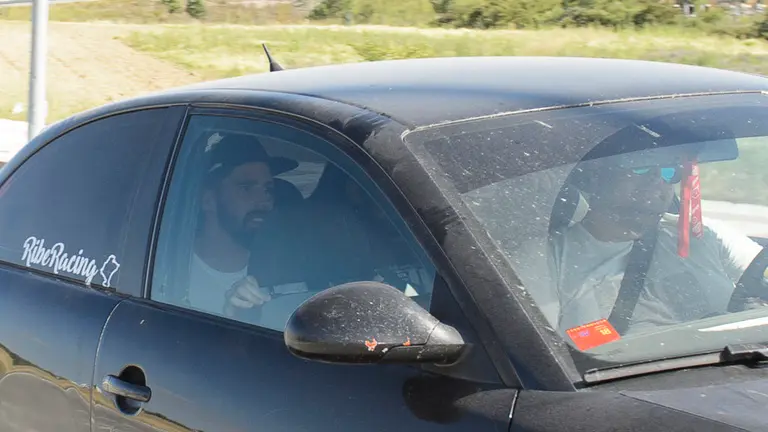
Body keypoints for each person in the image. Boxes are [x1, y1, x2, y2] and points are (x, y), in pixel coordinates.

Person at [548, 150, 764, 335]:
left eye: (669, 172)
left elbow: (761, 274)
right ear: (596, 176)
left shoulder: (703, 236)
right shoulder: (549, 258)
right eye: (641, 167)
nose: (657, 181)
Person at [189, 131, 298, 319]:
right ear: (208, 201)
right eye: (246, 188)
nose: (264, 201)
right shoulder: (171, 272)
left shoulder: (289, 273)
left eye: (268, 189)